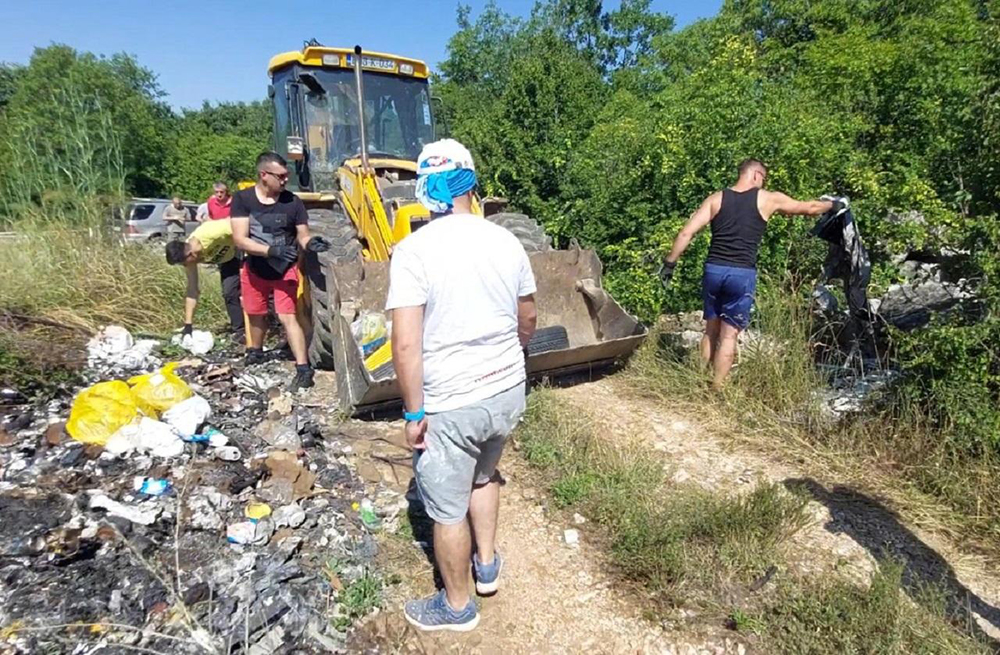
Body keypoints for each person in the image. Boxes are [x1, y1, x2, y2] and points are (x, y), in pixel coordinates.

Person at [388, 139, 537, 632]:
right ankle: (486, 567)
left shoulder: (414, 251)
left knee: (448, 512)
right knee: (485, 475)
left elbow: (405, 344)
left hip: (451, 401)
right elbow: (528, 317)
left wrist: (413, 414)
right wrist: (512, 357)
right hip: (506, 390)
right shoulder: (506, 240)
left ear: (424, 189)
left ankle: (457, 607)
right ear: (470, 183)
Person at [660, 158, 847, 389]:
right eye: (764, 178)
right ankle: (716, 388)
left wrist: (669, 264)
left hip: (714, 270)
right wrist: (834, 204)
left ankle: (698, 381)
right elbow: (808, 208)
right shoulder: (767, 198)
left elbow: (686, 233)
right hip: (741, 274)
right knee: (729, 335)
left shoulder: (716, 199)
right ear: (756, 175)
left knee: (710, 330)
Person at [230, 152, 329, 391]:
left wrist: (310, 243)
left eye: (287, 175)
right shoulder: (243, 199)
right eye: (281, 176)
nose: (285, 180)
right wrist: (269, 251)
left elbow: (302, 235)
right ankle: (255, 351)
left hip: (285, 268)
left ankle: (303, 368)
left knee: (287, 316)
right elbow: (240, 239)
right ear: (264, 175)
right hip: (255, 268)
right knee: (256, 312)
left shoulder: (293, 202)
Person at [164, 219, 244, 339]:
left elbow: (239, 224)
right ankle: (240, 331)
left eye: (184, 263)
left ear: (191, 254)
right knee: (229, 292)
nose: (185, 266)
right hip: (229, 260)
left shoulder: (211, 233)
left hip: (243, 249)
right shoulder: (190, 260)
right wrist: (188, 324)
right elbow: (192, 290)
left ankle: (271, 323)